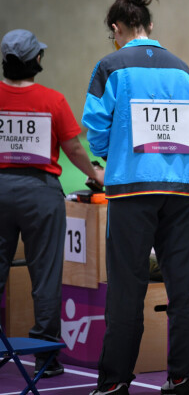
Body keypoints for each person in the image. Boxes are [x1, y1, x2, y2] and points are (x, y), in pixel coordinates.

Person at [82, 0, 189, 395]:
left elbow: (96, 129)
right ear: (150, 25)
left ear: (117, 27)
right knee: (185, 290)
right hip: (180, 191)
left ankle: (114, 383)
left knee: (127, 289)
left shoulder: (110, 66)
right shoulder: (182, 68)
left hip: (131, 190)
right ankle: (183, 379)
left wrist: (111, 157)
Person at [0, 29, 105, 378]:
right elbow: (75, 148)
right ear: (37, 61)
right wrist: (94, 174)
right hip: (40, 193)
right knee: (44, 274)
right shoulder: (52, 100)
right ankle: (45, 356)